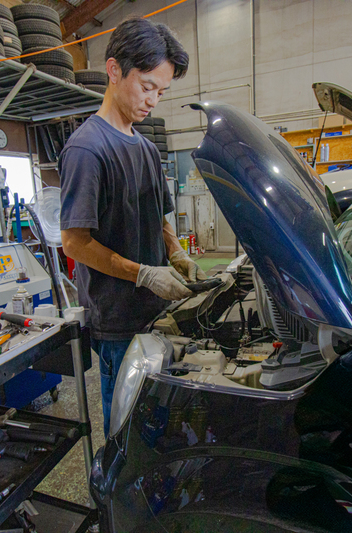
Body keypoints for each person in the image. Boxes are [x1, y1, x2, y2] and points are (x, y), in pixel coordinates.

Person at [59, 16, 206, 436]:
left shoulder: (145, 148)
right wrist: (143, 274)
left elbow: (158, 214)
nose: (153, 101)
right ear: (113, 70)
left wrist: (176, 253)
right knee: (125, 428)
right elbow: (74, 243)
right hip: (118, 321)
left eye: (162, 92)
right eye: (146, 87)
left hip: (156, 312)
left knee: (155, 421)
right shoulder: (87, 150)